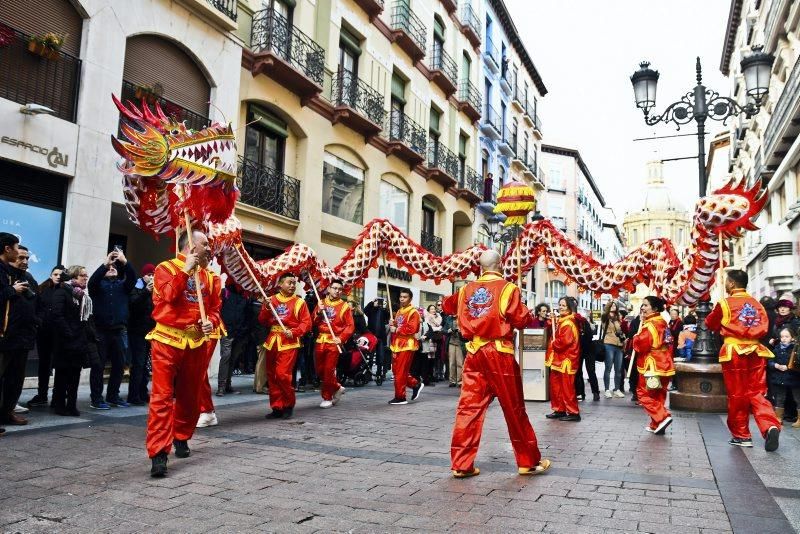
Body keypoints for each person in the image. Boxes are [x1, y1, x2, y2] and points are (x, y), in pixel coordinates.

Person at [442, 249, 551, 478]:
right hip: (499, 352)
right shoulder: (508, 288)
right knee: (514, 408)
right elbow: (521, 321)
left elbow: (447, 306)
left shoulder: (465, 290)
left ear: (481, 267)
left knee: (468, 409)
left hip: (474, 351)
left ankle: (461, 464)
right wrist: (523, 305)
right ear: (500, 264)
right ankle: (527, 461)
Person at [145, 229, 224, 477]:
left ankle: (181, 436)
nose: (210, 249)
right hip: (167, 339)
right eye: (206, 244)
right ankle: (158, 453)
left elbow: (214, 309)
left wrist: (210, 321)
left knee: (190, 396)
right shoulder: (165, 268)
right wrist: (185, 269)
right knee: (162, 396)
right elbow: (167, 296)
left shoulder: (211, 278)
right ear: (191, 245)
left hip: (197, 342)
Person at [706, 269, 781, 451]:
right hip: (756, 351)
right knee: (756, 392)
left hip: (734, 352)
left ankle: (742, 435)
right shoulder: (758, 304)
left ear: (731, 284)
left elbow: (710, 324)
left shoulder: (725, 304)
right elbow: (764, 328)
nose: (725, 284)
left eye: (726, 281)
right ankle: (769, 424)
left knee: (738, 394)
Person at [258, 272, 311, 419]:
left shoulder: (300, 302)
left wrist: (294, 332)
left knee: (282, 375)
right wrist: (266, 307)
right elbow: (262, 320)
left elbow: (306, 323)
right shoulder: (272, 300)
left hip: (289, 342)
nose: (293, 285)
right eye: (289, 282)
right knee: (272, 375)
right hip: (272, 341)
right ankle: (277, 407)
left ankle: (288, 404)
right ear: (280, 284)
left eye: (294, 283)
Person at [87, 249, 136, 409]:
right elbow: (91, 281)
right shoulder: (97, 286)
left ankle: (113, 396)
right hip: (101, 331)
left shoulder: (123, 286)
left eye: (114, 267)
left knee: (119, 365)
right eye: (109, 268)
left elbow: (133, 278)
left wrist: (125, 261)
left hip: (119, 331)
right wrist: (105, 263)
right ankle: (96, 399)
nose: (111, 268)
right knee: (98, 367)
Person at [0, 245, 39, 426]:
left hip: (24, 337)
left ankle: (7, 412)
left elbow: (38, 303)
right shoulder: (4, 276)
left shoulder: (29, 278)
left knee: (16, 380)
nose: (24, 262)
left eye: (26, 259)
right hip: (6, 337)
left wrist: (36, 322)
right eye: (20, 257)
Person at [50, 266, 95, 417]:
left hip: (79, 342)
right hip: (65, 341)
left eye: (86, 275)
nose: (85, 278)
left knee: (75, 375)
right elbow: (57, 315)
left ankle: (71, 405)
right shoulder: (62, 291)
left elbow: (85, 319)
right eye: (82, 275)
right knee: (62, 375)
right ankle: (59, 405)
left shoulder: (82, 295)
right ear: (73, 278)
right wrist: (69, 333)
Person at [632, 296, 675, 435]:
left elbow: (642, 345)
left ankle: (662, 416)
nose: (642, 308)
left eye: (645, 305)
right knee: (658, 395)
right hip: (664, 363)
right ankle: (656, 423)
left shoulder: (650, 325)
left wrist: (635, 338)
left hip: (652, 364)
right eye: (642, 305)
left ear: (654, 308)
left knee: (643, 393)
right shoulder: (662, 322)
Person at [27, 264, 65, 408]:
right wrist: (39, 321)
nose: (57, 277)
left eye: (60, 275)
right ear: (51, 275)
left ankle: (58, 394)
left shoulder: (66, 290)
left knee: (60, 364)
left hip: (60, 333)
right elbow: (35, 306)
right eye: (55, 274)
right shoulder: (42, 289)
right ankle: (42, 394)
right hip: (44, 332)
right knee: (44, 364)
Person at [313, 279, 354, 409]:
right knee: (319, 370)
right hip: (320, 340)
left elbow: (350, 326)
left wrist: (341, 338)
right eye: (334, 288)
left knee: (328, 370)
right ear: (329, 289)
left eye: (339, 289)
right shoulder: (321, 303)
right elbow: (312, 321)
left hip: (333, 341)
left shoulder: (345, 306)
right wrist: (319, 312)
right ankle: (337, 387)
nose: (337, 291)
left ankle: (327, 397)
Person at [545, 297, 581, 422]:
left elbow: (564, 342)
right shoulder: (562, 321)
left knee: (567, 388)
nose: (560, 307)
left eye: (563, 305)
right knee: (556, 387)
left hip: (566, 360)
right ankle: (559, 409)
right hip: (558, 360)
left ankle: (573, 412)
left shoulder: (568, 323)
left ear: (569, 308)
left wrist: (554, 343)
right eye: (560, 304)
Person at [387, 288, 424, 405]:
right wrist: (393, 324)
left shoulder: (414, 312)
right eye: (401, 297)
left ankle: (400, 397)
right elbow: (398, 325)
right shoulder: (398, 311)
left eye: (405, 297)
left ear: (410, 298)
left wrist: (397, 329)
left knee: (401, 372)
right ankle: (415, 384)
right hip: (397, 344)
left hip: (407, 344)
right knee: (395, 370)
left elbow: (413, 329)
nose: (402, 299)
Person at [127, 263, 155, 405]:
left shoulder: (154, 291)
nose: (151, 278)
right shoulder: (136, 287)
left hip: (148, 331)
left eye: (152, 275)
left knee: (145, 365)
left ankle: (143, 393)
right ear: (143, 275)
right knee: (138, 364)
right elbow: (133, 304)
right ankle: (134, 394)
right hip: (137, 331)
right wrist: (145, 292)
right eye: (149, 275)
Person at [216, 280, 250, 396]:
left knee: (233, 359)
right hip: (226, 331)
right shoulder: (225, 292)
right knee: (225, 357)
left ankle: (227, 384)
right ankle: (221, 386)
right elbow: (218, 309)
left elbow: (247, 313)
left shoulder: (245, 294)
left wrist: (244, 331)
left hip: (240, 332)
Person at [768, 327, 800, 427]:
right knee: (779, 398)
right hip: (779, 377)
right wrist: (776, 365)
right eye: (782, 337)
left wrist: (789, 367)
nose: (784, 339)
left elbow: (797, 363)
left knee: (797, 398)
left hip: (794, 377)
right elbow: (770, 361)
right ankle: (778, 418)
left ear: (792, 338)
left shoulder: (795, 349)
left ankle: (799, 419)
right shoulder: (777, 348)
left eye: (787, 336)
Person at [600, 300, 626, 398]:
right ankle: (607, 389)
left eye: (615, 305)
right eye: (611, 305)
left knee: (618, 369)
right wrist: (613, 319)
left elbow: (620, 330)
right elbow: (605, 327)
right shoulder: (605, 317)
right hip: (609, 343)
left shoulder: (618, 317)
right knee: (608, 367)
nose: (613, 307)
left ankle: (617, 389)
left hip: (619, 344)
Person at [364, 297, 390, 382]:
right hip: (371, 337)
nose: (379, 303)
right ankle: (368, 374)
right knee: (370, 357)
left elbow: (388, 317)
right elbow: (365, 310)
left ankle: (379, 374)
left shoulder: (383, 311)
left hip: (381, 338)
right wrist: (372, 302)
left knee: (380, 356)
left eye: (380, 302)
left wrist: (385, 307)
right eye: (378, 301)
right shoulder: (371, 310)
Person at [443, 311, 464, 387]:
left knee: (459, 363)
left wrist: (461, 331)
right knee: (451, 362)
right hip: (451, 342)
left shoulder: (462, 317)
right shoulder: (449, 318)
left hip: (460, 343)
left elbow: (467, 329)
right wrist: (447, 331)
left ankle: (460, 381)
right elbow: (443, 330)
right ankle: (452, 381)